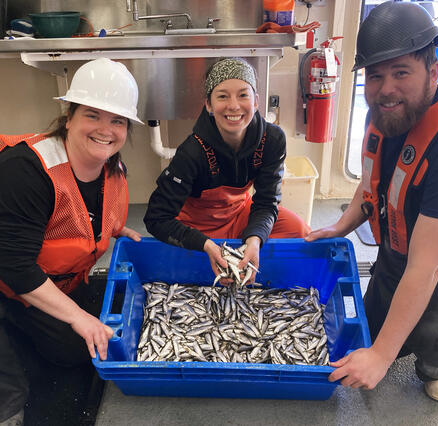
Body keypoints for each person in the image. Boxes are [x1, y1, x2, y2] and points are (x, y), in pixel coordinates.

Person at [306, 1, 438, 402]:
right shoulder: (386, 114)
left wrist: (382, 355)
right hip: (396, 251)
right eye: (376, 75)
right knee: (367, 336)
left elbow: (428, 266)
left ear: (433, 71)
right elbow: (372, 186)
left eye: (401, 72)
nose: (386, 88)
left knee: (433, 367)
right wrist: (339, 227)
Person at [0, 57, 143, 424]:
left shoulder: (110, 165)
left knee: (81, 349)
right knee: (16, 391)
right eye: (93, 115)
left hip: (52, 277)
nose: (105, 129)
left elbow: (83, 216)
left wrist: (113, 230)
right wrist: (79, 318)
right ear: (70, 117)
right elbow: (14, 266)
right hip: (9, 279)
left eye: (117, 120)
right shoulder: (27, 171)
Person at [144, 57, 310, 281]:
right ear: (209, 105)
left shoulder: (272, 139)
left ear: (256, 101)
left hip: (241, 214)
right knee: (187, 265)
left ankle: (256, 267)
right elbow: (156, 218)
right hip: (198, 227)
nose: (234, 105)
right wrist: (204, 244)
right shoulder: (192, 151)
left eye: (243, 95)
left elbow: (266, 201)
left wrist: (255, 237)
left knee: (299, 232)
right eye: (222, 96)